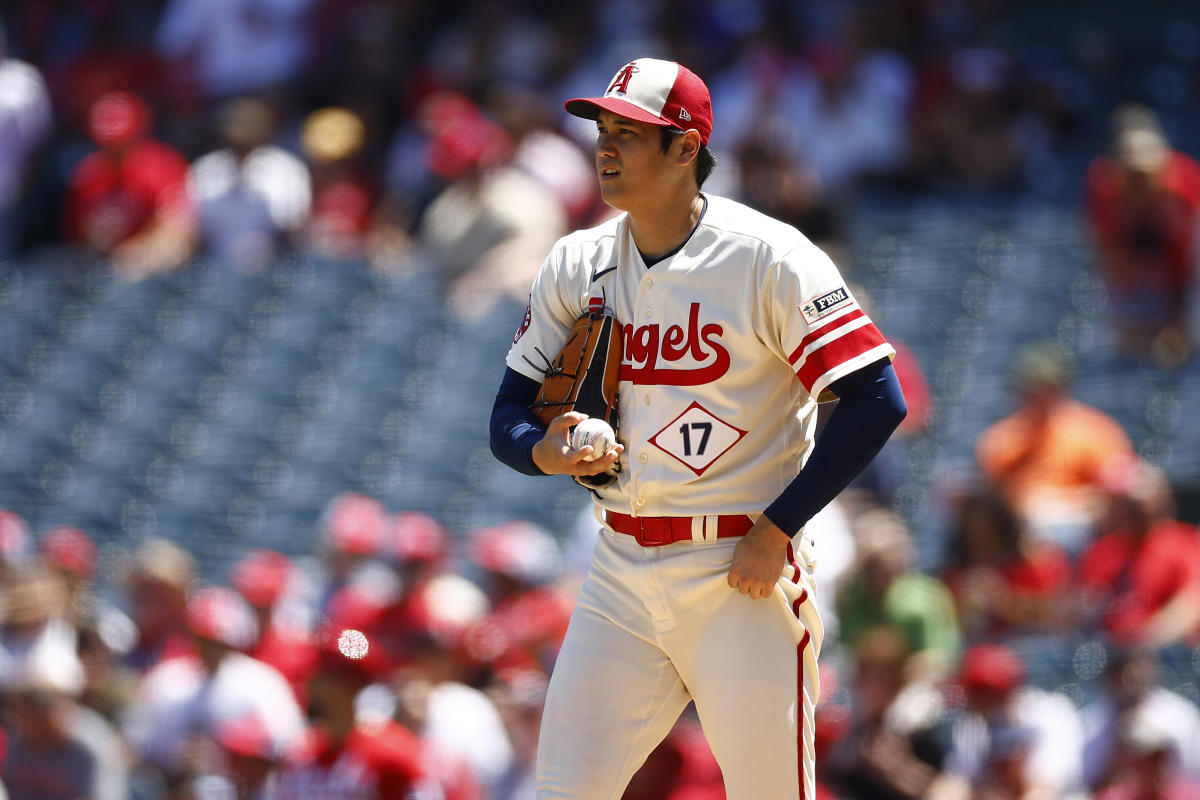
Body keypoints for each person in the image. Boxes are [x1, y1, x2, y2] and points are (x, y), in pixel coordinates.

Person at [489, 57, 907, 799]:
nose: (607, 146)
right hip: (619, 565)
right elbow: (508, 419)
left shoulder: (768, 256)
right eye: (603, 130)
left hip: (738, 570)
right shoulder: (577, 259)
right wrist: (545, 452)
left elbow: (878, 398)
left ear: (687, 148)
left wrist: (778, 526)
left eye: (631, 133)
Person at [975, 340, 1135, 554]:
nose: (1035, 396)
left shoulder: (1094, 430)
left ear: (1061, 388)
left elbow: (1121, 489)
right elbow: (991, 497)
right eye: (1028, 388)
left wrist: (1067, 503)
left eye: (1044, 388)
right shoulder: (1002, 438)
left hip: (1082, 528)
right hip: (1021, 532)